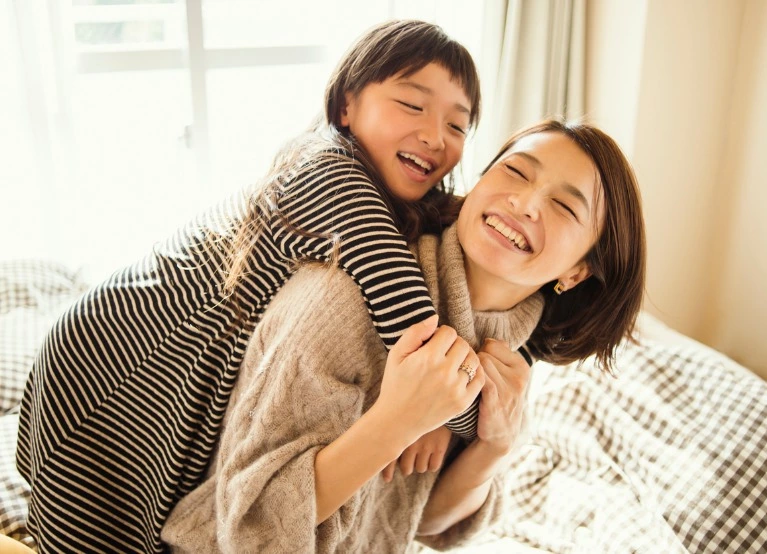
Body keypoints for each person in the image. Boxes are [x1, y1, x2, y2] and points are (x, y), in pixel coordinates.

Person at [16, 20, 482, 553]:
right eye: (413, 105)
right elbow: (419, 337)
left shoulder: (390, 195)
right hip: (119, 366)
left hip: (182, 370)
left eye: (458, 125)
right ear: (346, 106)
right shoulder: (331, 173)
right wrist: (451, 416)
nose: (435, 136)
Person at [161, 119, 647, 553]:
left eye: (564, 206)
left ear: (578, 271)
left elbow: (423, 523)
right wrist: (401, 420)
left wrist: (494, 447)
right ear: (478, 183)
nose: (524, 202)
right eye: (515, 172)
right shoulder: (343, 299)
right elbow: (251, 531)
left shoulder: (510, 348)